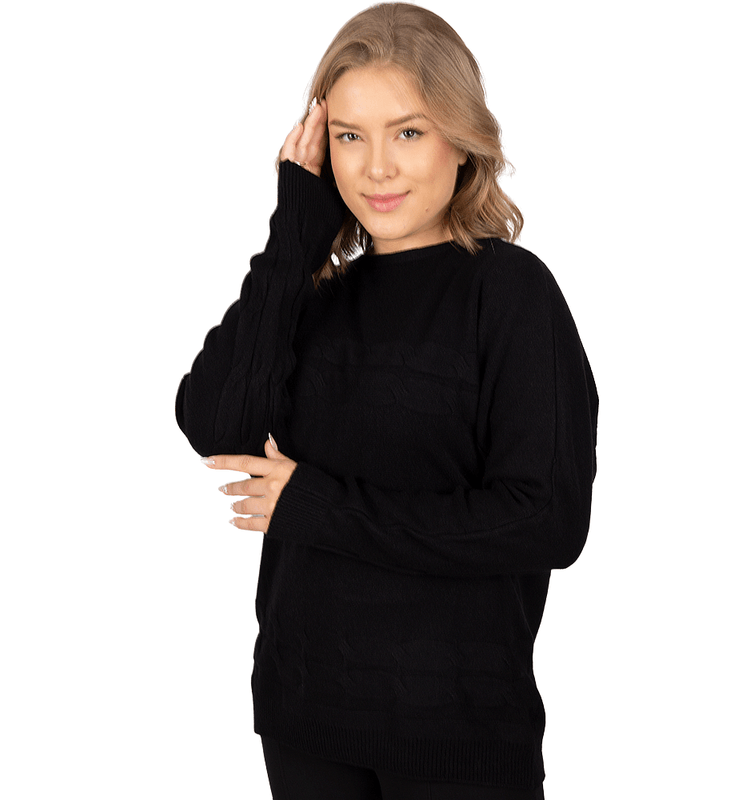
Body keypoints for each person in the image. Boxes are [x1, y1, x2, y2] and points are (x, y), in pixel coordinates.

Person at [175, 3, 598, 798]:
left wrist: (321, 507)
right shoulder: (313, 297)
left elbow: (545, 518)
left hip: (457, 734)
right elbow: (216, 425)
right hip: (304, 720)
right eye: (348, 136)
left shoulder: (511, 294)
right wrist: (294, 237)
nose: (376, 168)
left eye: (407, 131)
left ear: (460, 139)